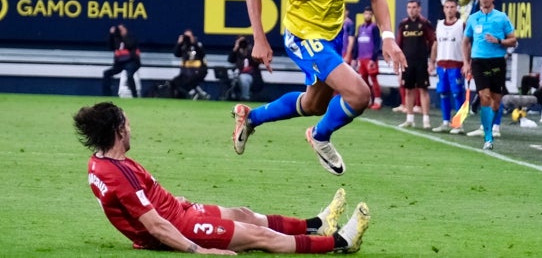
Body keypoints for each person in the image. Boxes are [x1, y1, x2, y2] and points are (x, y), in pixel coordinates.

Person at [235, 0, 407, 176]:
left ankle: (251, 117)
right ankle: (320, 136)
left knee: (314, 104)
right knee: (360, 95)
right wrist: (260, 38)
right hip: (303, 35)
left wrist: (387, 36)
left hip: (333, 33)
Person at [73, 102, 370, 255]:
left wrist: (171, 202)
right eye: (127, 123)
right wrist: (198, 249)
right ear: (118, 130)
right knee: (259, 236)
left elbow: (131, 207)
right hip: (179, 227)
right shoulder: (117, 173)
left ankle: (316, 225)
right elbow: (154, 225)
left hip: (176, 213)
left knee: (244, 214)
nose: (131, 128)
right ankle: (339, 242)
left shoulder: (101, 163)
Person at [462, 0, 517, 150]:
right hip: (479, 61)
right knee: (484, 95)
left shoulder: (501, 18)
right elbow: (465, 42)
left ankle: (491, 126)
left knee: (496, 100)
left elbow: (513, 40)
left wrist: (499, 41)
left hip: (497, 62)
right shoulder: (473, 18)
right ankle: (488, 137)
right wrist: (466, 62)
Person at [396, 0, 436, 129]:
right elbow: (399, 45)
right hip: (407, 63)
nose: (411, 10)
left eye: (414, 7)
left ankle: (426, 120)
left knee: (423, 90)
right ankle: (409, 119)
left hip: (421, 62)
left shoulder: (425, 24)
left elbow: (433, 42)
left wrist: (432, 61)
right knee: (408, 90)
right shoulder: (403, 24)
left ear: (419, 9)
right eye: (409, 7)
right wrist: (397, 62)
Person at [430, 0, 465, 133]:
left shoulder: (461, 25)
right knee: (443, 93)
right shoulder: (439, 25)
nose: (449, 10)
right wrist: (432, 62)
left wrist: (467, 63)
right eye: (447, 7)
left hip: (456, 64)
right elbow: (436, 44)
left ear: (456, 9)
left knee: (457, 94)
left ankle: (459, 123)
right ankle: (445, 121)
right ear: (443, 9)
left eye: (452, 7)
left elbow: (468, 44)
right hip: (441, 64)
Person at [352, 6, 383, 110]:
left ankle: (378, 100)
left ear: (372, 15)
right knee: (364, 80)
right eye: (366, 13)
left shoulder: (374, 27)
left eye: (370, 14)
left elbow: (377, 44)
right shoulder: (360, 27)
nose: (367, 15)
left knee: (374, 79)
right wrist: (355, 57)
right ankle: (368, 99)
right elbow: (356, 43)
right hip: (361, 58)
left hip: (370, 58)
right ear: (363, 15)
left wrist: (373, 59)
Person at [102, 24, 140, 98]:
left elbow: (130, 45)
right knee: (106, 73)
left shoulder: (130, 37)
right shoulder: (116, 39)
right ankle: (107, 95)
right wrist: (112, 35)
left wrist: (124, 35)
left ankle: (135, 95)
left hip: (132, 62)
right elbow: (110, 47)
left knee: (129, 75)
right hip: (120, 64)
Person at [170, 29, 209, 100]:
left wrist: (193, 43)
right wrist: (179, 43)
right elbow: (176, 54)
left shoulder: (197, 44)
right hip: (186, 72)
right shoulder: (183, 46)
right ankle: (194, 93)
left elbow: (202, 54)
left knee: (189, 81)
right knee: (175, 82)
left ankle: (198, 94)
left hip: (198, 71)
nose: (187, 38)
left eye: (189, 36)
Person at [227, 36, 262, 101]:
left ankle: (245, 97)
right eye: (240, 42)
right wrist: (236, 48)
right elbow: (230, 60)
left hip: (251, 76)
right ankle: (231, 96)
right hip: (237, 74)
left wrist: (247, 52)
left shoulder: (252, 52)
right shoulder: (237, 53)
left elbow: (257, 63)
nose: (242, 44)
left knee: (243, 77)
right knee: (232, 76)